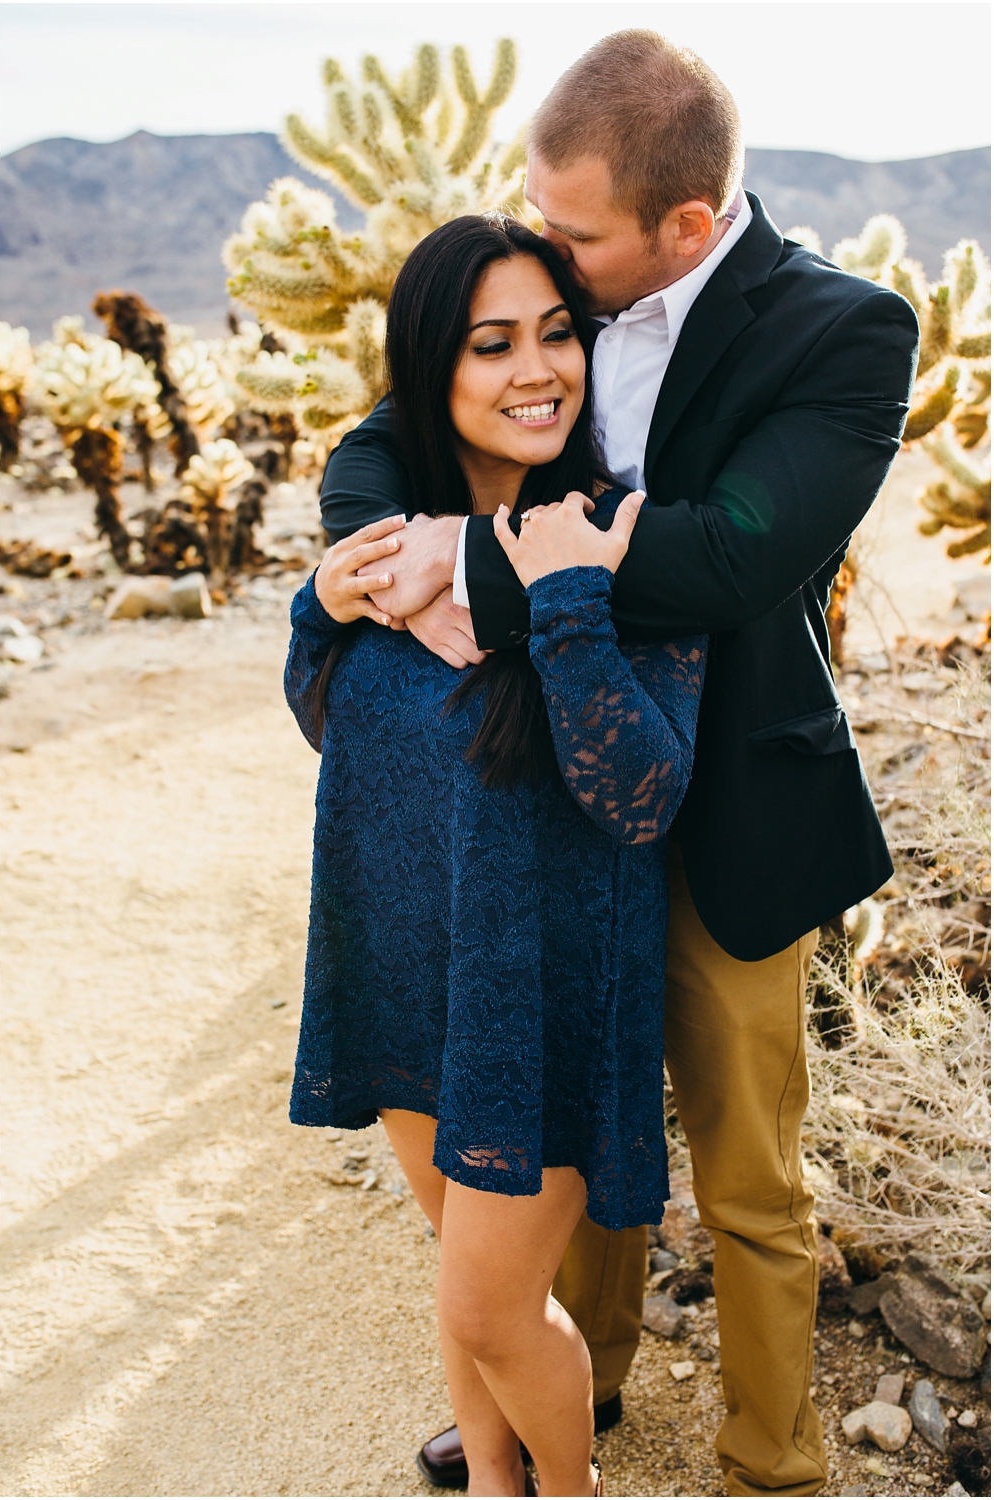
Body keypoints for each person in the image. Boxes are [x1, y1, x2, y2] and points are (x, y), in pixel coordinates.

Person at [319, 32, 918, 1496]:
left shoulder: (845, 332)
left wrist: (472, 558)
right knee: (564, 1143)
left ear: (685, 229)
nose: (552, 261)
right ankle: (559, 1400)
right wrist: (363, 543)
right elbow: (396, 423)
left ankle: (770, 1464)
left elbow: (725, 563)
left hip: (733, 812)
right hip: (552, 808)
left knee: (749, 1179)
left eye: (577, 236)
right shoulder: (564, 307)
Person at [289, 211, 703, 1498]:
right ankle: (491, 1479)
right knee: (464, 1285)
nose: (536, 369)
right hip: (410, 962)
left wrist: (571, 605)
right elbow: (332, 720)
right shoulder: (385, 541)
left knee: (486, 1311)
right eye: (490, 344)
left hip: (542, 995)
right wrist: (320, 602)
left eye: (555, 334)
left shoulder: (615, 532)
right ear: (430, 369)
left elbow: (639, 796)